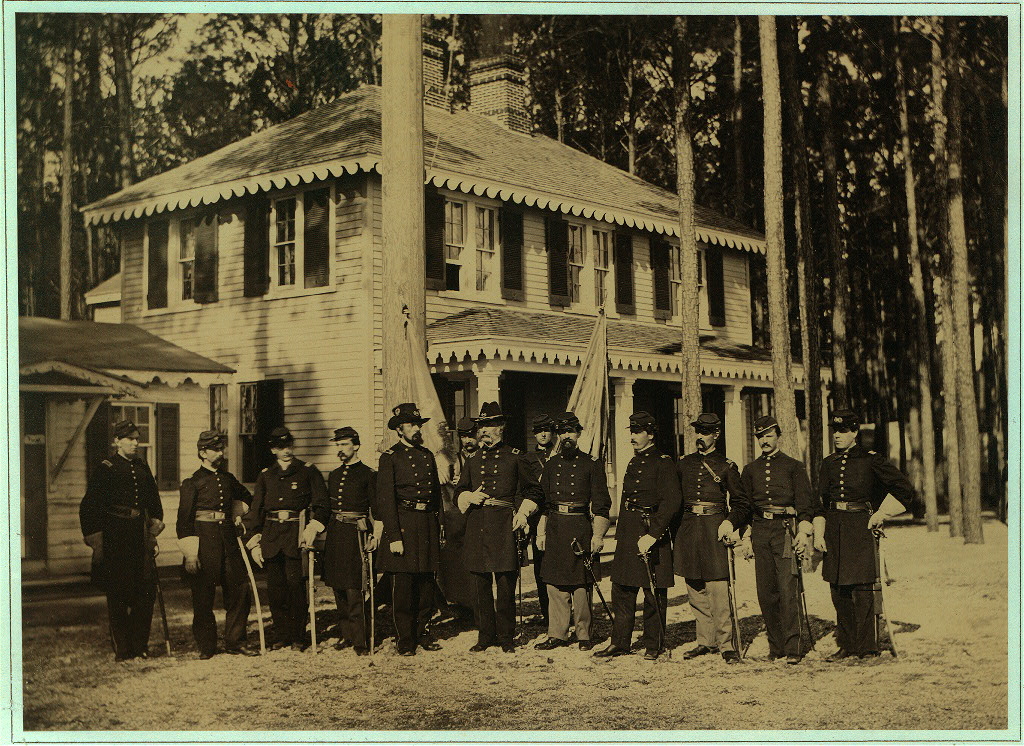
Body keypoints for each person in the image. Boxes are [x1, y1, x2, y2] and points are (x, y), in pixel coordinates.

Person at [817, 408, 915, 660]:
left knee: (862, 589)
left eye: (843, 430)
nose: (837, 435)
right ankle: (847, 644)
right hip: (834, 528)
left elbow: (904, 488)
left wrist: (882, 513)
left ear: (854, 432)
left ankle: (868, 647)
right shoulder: (827, 464)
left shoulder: (871, 460)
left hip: (861, 526)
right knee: (838, 589)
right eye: (834, 431)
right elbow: (822, 501)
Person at [718, 415, 815, 664]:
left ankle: (793, 648)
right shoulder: (751, 470)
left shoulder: (794, 467)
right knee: (766, 593)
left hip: (785, 531)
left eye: (768, 436)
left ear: (778, 436)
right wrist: (746, 536)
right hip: (761, 531)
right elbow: (747, 507)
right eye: (760, 436)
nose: (764, 440)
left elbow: (805, 503)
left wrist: (803, 532)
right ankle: (777, 647)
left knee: (787, 589)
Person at [455, 401, 542, 653]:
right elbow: (459, 490)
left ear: (501, 427)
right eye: (482, 426)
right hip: (477, 525)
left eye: (491, 425)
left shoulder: (516, 457)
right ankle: (485, 636)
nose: (485, 431)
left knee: (505, 584)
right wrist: (468, 497)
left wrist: (524, 512)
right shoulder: (472, 460)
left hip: (505, 526)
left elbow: (534, 490)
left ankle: (505, 637)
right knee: (480, 585)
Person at [595, 411, 681, 661]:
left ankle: (654, 644)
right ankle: (619, 641)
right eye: (631, 431)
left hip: (650, 530)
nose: (632, 436)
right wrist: (621, 534)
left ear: (651, 434)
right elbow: (625, 500)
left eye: (637, 432)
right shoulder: (633, 462)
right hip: (630, 529)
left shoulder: (664, 462)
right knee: (622, 588)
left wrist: (654, 534)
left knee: (653, 592)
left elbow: (672, 501)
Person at [80, 420, 165, 661]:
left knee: (144, 593)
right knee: (117, 595)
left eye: (137, 438)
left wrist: (152, 532)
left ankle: (140, 646)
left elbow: (154, 504)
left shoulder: (142, 467)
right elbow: (88, 508)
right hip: (115, 538)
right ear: (116, 441)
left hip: (139, 537)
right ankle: (124, 649)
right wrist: (97, 542)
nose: (135, 443)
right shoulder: (106, 469)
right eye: (130, 439)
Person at [241, 426, 327, 651]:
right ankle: (281, 635)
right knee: (276, 590)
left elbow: (322, 504)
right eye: (281, 447)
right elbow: (255, 510)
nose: (286, 451)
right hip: (271, 538)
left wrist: (313, 527)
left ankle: (298, 636)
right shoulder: (265, 475)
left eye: (289, 446)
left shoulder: (308, 471)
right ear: (273, 450)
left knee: (296, 587)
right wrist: (254, 542)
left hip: (296, 537)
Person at [534, 412, 611, 652]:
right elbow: (544, 504)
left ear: (578, 434)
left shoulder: (592, 464)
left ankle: (583, 633)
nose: (566, 436)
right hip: (555, 526)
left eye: (571, 432)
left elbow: (601, 505)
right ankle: (557, 633)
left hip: (580, 527)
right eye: (562, 432)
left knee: (581, 583)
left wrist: (598, 536)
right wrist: (540, 532)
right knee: (554, 583)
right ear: (558, 435)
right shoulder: (551, 465)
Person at [177, 430, 255, 659]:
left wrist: (240, 512)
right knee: (203, 595)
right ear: (203, 452)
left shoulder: (228, 478)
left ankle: (235, 641)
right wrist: (191, 554)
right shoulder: (193, 482)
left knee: (240, 588)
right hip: (203, 542)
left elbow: (248, 499)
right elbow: (184, 521)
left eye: (222, 448)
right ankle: (207, 645)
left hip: (228, 540)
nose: (222, 453)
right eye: (216, 449)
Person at [674, 413, 745, 664]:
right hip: (689, 528)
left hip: (714, 527)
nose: (700, 437)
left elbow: (740, 503)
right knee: (695, 588)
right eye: (698, 432)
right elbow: (675, 499)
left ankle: (726, 645)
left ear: (716, 434)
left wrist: (730, 522)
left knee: (717, 589)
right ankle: (705, 641)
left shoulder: (726, 465)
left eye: (706, 433)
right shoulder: (683, 464)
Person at [376, 402, 444, 656]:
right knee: (403, 587)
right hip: (403, 524)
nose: (416, 429)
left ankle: (422, 630)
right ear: (399, 429)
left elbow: (436, 496)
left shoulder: (427, 456)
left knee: (426, 583)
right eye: (411, 425)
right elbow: (386, 500)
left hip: (426, 524)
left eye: (418, 425)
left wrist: (440, 527)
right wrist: (394, 535)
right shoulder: (389, 458)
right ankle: (405, 638)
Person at [303, 427, 377, 655]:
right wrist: (313, 528)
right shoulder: (334, 475)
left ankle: (360, 641)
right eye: (337, 445)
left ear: (356, 445)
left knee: (355, 589)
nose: (340, 449)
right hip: (336, 534)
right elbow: (326, 508)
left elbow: (376, 508)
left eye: (344, 444)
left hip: (356, 534)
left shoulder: (369, 474)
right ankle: (346, 634)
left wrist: (375, 535)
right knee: (338, 587)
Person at [436, 417, 476, 615]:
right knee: (456, 564)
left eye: (471, 435)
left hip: (480, 518)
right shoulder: (451, 459)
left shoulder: (485, 457)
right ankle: (461, 605)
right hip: (457, 519)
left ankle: (477, 606)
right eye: (464, 436)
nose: (468, 440)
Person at [523, 414, 556, 627]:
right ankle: (547, 614)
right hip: (538, 518)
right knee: (541, 567)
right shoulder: (527, 460)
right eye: (539, 431)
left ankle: (563, 612)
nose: (543, 434)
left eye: (547, 430)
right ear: (534, 434)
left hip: (559, 516)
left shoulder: (560, 455)